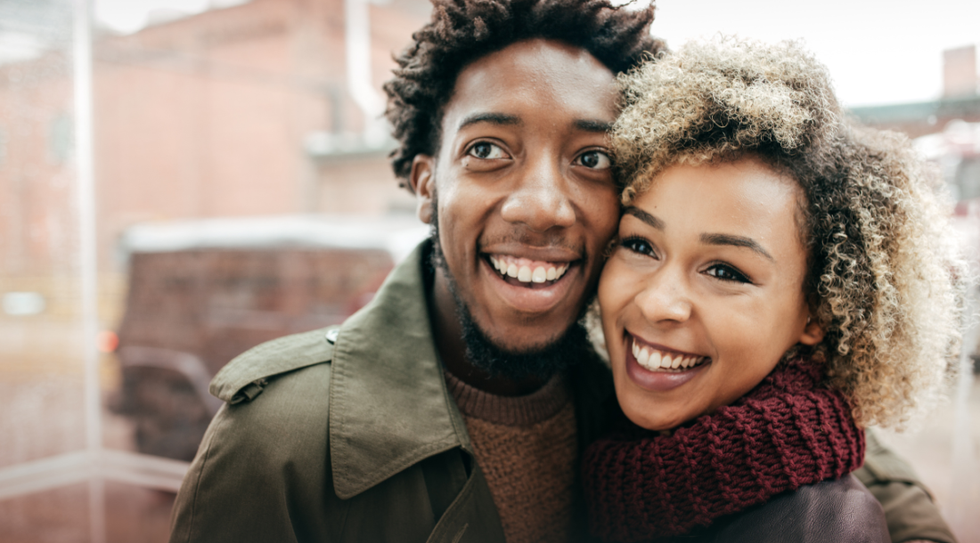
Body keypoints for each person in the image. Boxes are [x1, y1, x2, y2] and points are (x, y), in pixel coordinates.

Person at [168, 1, 958, 542]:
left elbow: (826, 444)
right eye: (486, 150)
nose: (543, 205)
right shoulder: (278, 440)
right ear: (422, 183)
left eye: (592, 158)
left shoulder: (638, 385)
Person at [582, 37, 966, 543]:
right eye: (640, 244)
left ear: (818, 315)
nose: (658, 302)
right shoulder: (613, 444)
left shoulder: (817, 529)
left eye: (725, 272)